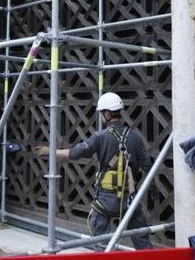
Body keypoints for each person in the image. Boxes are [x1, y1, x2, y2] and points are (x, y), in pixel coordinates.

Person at [35, 92, 154, 251]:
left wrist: (52, 151)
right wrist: (143, 187)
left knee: (101, 244)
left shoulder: (100, 137)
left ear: (106, 113)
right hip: (129, 200)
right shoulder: (135, 137)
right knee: (142, 239)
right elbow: (148, 165)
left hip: (105, 200)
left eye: (102, 113)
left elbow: (77, 152)